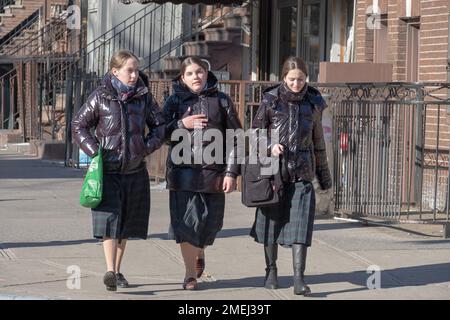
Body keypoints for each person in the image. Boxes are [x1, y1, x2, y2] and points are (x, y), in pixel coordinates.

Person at [72, 50, 165, 291]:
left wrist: (146, 147)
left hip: (134, 170)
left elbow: (160, 125)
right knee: (109, 221)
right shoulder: (101, 96)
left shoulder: (143, 97)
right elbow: (79, 125)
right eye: (129, 70)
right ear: (115, 72)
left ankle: (117, 269)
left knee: (124, 224)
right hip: (108, 171)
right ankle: (110, 270)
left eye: (136, 70)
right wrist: (95, 151)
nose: (135, 75)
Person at [250, 57, 332, 295]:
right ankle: (271, 271)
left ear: (306, 78)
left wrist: (324, 176)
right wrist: (269, 146)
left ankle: (299, 278)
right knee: (270, 225)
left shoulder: (314, 103)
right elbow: (255, 133)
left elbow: (319, 142)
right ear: (283, 77)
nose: (296, 83)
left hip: (302, 172)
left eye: (301, 79)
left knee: (301, 227)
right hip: (273, 174)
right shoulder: (270, 100)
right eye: (292, 79)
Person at [163, 57, 242, 290]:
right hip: (182, 174)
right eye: (190, 73)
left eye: (200, 72)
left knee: (210, 226)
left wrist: (231, 172)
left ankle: (200, 251)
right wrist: (181, 124)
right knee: (186, 225)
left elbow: (236, 138)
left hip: (213, 174)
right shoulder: (174, 101)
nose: (196, 76)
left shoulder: (221, 100)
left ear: (207, 74)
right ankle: (189, 275)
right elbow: (159, 134)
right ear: (182, 77)